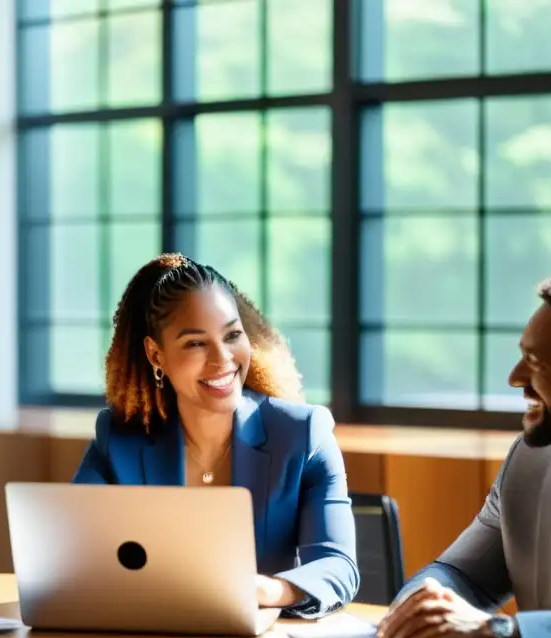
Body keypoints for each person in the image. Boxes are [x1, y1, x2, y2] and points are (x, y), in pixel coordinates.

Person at [377, 263, 551, 638]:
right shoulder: (530, 463)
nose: (515, 378)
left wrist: (503, 634)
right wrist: (426, 605)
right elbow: (464, 574)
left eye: (536, 364)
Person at [73, 254, 359, 615]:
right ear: (156, 354)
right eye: (196, 343)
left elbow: (338, 566)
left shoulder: (303, 435)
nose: (222, 358)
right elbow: (69, 553)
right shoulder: (118, 440)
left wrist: (267, 590)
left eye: (232, 335)